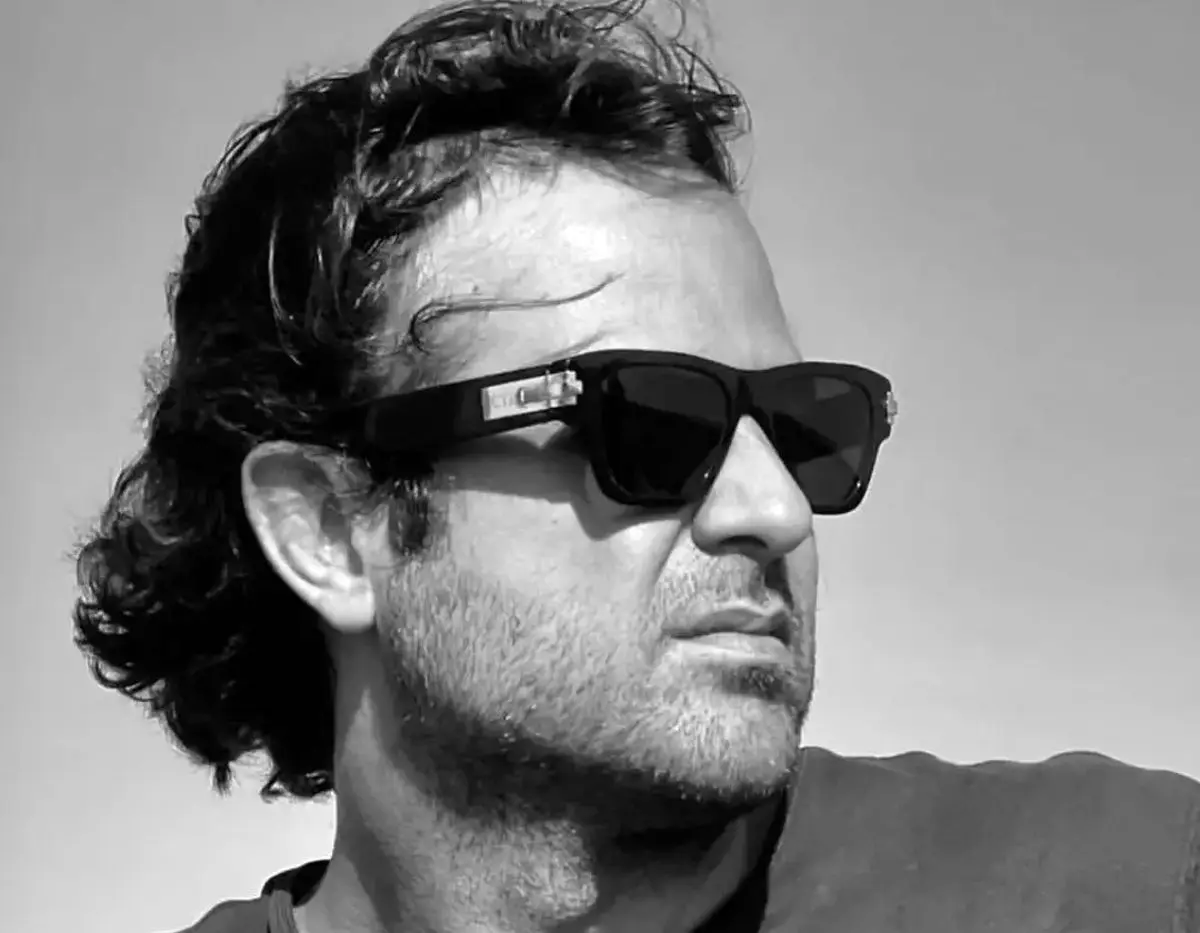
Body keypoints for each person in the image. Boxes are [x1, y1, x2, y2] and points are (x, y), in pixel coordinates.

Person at [72, 1, 1199, 931]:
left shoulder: (1130, 883)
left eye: (805, 426)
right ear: (328, 529)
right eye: (648, 423)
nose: (775, 509)